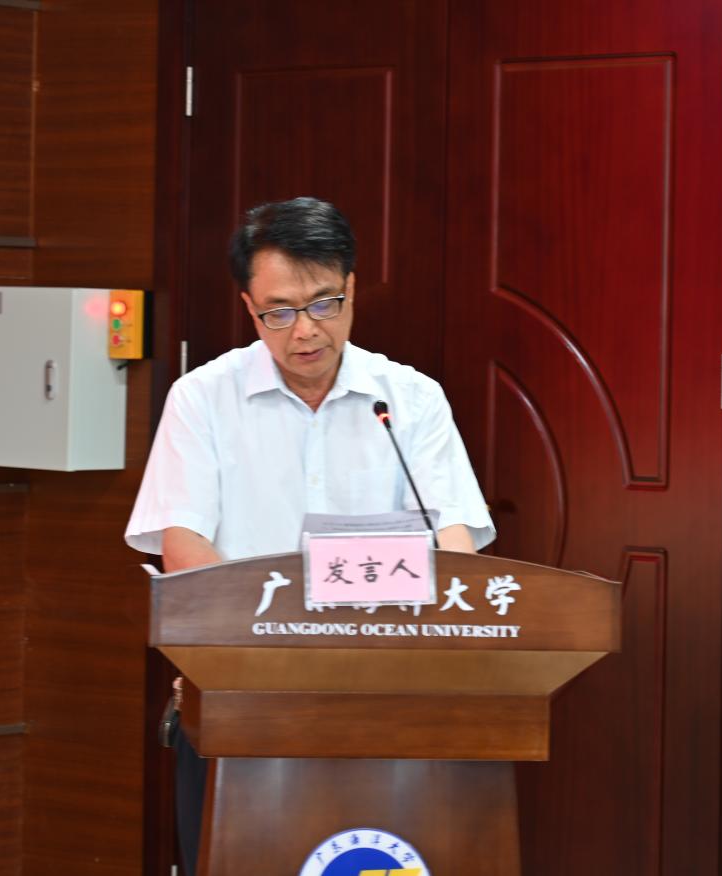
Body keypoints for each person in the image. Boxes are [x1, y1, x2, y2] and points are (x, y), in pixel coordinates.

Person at [124, 196, 495, 872]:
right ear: (248, 307)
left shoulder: (411, 400)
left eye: (325, 303)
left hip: (390, 708)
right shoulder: (203, 400)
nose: (305, 331)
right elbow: (184, 549)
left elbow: (455, 545)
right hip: (243, 708)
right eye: (280, 312)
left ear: (352, 287)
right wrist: (283, 640)